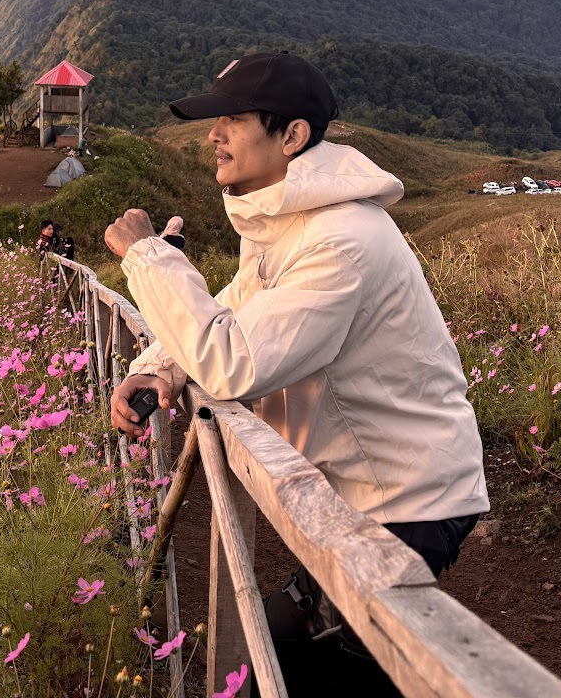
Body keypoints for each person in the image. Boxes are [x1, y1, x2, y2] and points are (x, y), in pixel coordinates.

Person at [103, 52, 488, 695]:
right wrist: (161, 368)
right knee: (291, 655)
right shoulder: (291, 224)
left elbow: (234, 363)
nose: (213, 135)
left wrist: (145, 255)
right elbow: (237, 306)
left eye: (232, 119)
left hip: (405, 499)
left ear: (293, 136)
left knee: (294, 667)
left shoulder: (340, 240)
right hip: (369, 491)